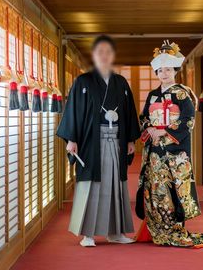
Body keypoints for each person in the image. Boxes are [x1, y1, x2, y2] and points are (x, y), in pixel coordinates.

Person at [57, 35, 140, 247]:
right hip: (91, 142)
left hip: (116, 142)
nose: (104, 55)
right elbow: (74, 111)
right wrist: (71, 139)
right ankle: (88, 235)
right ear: (94, 55)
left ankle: (116, 232)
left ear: (112, 56)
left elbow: (129, 112)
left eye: (108, 52)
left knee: (115, 185)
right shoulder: (83, 81)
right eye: (100, 52)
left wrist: (131, 140)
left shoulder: (121, 83)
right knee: (91, 185)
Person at [134, 41, 203, 248]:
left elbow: (188, 119)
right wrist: (150, 128)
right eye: (160, 70)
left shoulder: (181, 94)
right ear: (156, 72)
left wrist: (164, 130)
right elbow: (144, 117)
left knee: (174, 188)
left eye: (168, 70)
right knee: (155, 187)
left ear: (175, 71)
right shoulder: (153, 95)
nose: (164, 74)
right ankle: (158, 228)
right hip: (155, 148)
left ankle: (174, 228)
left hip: (174, 149)